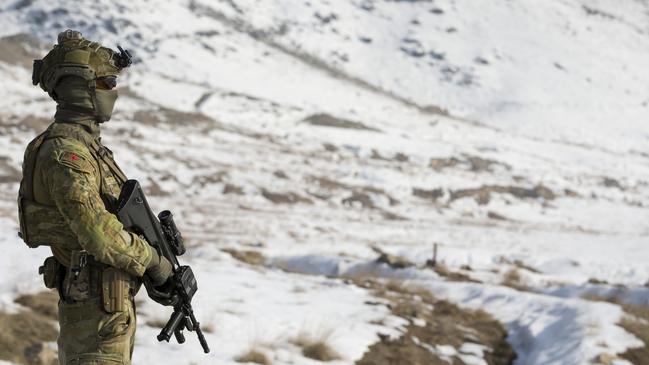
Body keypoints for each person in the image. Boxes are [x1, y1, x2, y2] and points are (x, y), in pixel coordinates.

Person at [17, 29, 172, 365]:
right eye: (108, 83)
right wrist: (153, 262)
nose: (113, 92)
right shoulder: (66, 153)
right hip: (94, 317)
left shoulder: (89, 148)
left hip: (107, 312)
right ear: (80, 87)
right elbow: (97, 232)